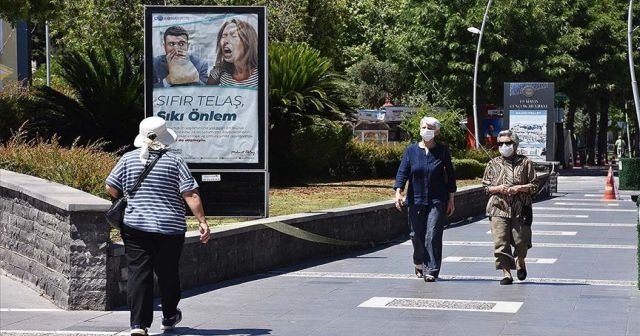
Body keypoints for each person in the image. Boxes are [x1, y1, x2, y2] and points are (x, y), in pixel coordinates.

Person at [105, 116, 211, 336]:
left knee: (139, 272)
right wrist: (202, 221)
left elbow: (110, 187)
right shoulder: (175, 162)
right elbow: (190, 193)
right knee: (168, 273)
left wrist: (129, 195)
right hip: (169, 229)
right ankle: (169, 316)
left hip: (135, 226)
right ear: (165, 137)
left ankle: (139, 325)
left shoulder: (128, 159)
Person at [394, 117, 457, 282]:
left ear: (436, 131)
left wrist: (451, 199)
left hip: (437, 199)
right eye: (423, 127)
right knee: (416, 234)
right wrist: (398, 193)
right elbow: (403, 172)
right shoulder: (411, 150)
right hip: (415, 199)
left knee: (433, 234)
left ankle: (432, 270)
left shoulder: (442, 151)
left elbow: (450, 176)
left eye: (430, 128)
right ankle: (419, 261)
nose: (426, 130)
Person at [482, 129, 538, 285]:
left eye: (508, 143)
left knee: (521, 241)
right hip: (498, 208)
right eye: (501, 143)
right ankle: (506, 273)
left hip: (521, 208)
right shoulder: (492, 164)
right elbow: (485, 188)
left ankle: (520, 260)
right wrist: (499, 188)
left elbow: (534, 185)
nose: (504, 146)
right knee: (501, 242)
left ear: (515, 144)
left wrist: (519, 188)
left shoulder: (525, 162)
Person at [207, 18, 258, 87]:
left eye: (233, 36)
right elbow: (206, 94)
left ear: (247, 42)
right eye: (223, 36)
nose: (225, 41)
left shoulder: (261, 72)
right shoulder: (219, 71)